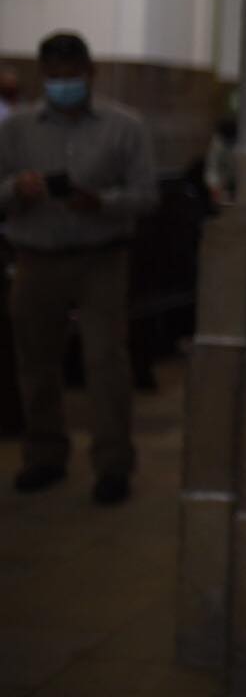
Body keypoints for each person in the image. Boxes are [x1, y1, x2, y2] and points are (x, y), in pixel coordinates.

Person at [0, 32, 157, 504]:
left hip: (100, 258)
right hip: (35, 257)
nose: (62, 84)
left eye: (71, 76)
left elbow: (148, 196)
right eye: (53, 77)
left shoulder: (124, 127)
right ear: (41, 77)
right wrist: (16, 191)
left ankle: (113, 466)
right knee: (37, 362)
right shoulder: (17, 129)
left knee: (105, 362)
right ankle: (45, 454)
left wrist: (100, 202)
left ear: (90, 73)